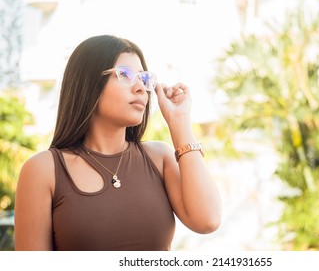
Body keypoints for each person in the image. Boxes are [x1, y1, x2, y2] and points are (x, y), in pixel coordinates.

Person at [14, 35, 222, 251]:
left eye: (143, 78)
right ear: (88, 83)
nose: (141, 88)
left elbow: (208, 220)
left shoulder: (159, 157)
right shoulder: (43, 170)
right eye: (125, 74)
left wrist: (179, 122)